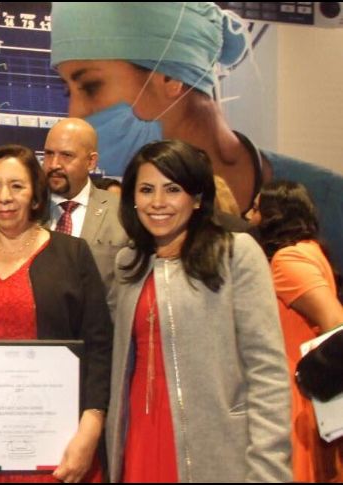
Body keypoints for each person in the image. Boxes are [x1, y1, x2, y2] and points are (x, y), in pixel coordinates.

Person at [50, 2, 343, 272]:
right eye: (67, 91)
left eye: (90, 87)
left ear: (170, 79)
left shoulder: (330, 200)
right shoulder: (131, 226)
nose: (74, 113)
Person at [107, 139, 291, 482]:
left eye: (172, 189)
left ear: (196, 198)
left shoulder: (236, 253)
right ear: (132, 198)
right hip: (139, 438)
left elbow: (267, 371)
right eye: (146, 190)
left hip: (217, 446)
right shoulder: (128, 263)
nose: (158, 202)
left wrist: (269, 467)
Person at [0, 144, 113, 483]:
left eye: (17, 186)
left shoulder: (72, 254)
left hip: (56, 443)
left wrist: (91, 425)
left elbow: (99, 346)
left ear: (35, 195)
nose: (5, 197)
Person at [256, 180, 343, 482]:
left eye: (257, 209)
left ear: (273, 215)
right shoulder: (312, 250)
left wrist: (319, 376)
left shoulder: (287, 259)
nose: (249, 217)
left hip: (298, 388)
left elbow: (334, 320)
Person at [43, 118, 128, 290]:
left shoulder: (122, 212)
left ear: (91, 162)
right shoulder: (28, 210)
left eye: (66, 155)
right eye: (49, 153)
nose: (54, 164)